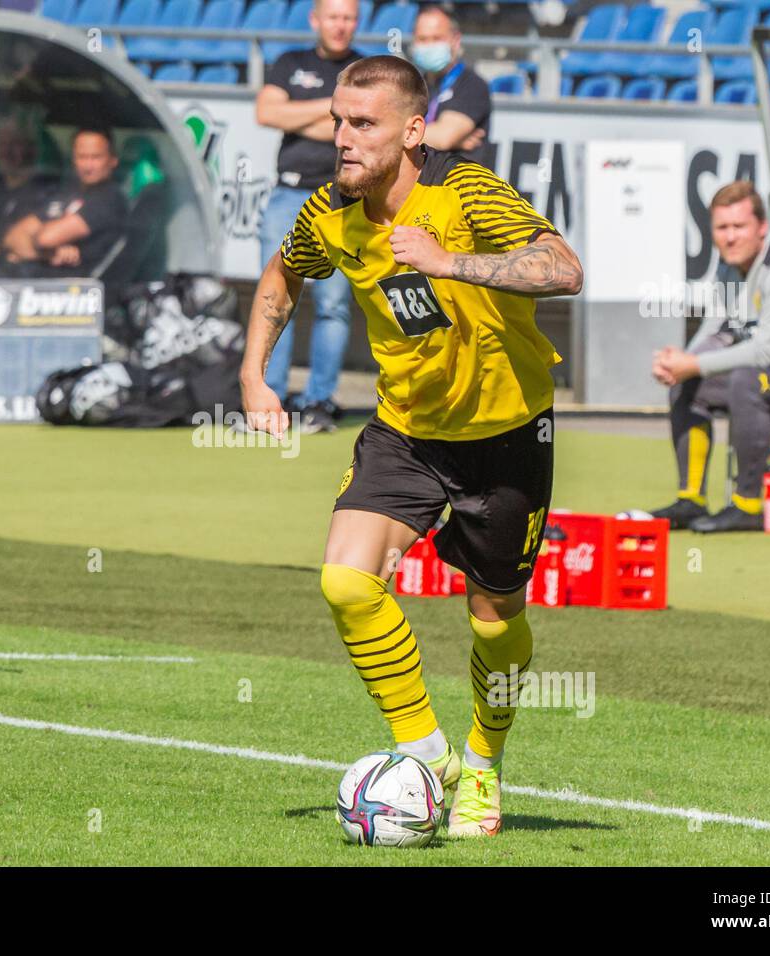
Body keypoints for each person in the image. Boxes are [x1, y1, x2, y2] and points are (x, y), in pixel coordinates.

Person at [240, 55, 582, 837]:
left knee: (495, 621)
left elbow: (564, 268)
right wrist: (254, 376)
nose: (343, 139)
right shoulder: (329, 209)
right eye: (338, 121)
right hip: (405, 430)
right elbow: (282, 277)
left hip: (505, 435)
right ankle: (427, 755)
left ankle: (484, 767)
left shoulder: (464, 191)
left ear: (413, 130)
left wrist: (446, 260)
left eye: (364, 124)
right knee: (344, 582)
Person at [650, 182, 770, 536]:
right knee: (691, 382)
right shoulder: (729, 266)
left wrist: (692, 363)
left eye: (739, 227)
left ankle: (748, 504)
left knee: (745, 378)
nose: (730, 237)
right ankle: (690, 500)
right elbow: (715, 331)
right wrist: (678, 362)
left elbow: (763, 351)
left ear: (762, 228)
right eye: (722, 228)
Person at [255, 0, 361, 434]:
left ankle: (319, 401)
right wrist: (333, 109)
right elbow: (266, 112)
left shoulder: (366, 68)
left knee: (333, 305)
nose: (341, 25)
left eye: (349, 17)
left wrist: (300, 115)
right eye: (333, 16)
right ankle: (271, 399)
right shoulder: (289, 62)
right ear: (315, 20)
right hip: (288, 193)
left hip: (343, 199)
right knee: (276, 298)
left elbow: (365, 128)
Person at [0, 127, 127, 276]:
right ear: (73, 160)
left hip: (83, 291)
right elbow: (12, 237)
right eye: (82, 157)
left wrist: (26, 249)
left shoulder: (110, 198)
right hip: (38, 288)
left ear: (113, 160)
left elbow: (45, 238)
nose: (88, 166)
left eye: (96, 157)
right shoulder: (66, 194)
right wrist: (50, 255)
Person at [0, 119, 59, 276]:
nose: (7, 151)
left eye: (15, 144)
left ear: (32, 150)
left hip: (32, 284)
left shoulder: (48, 192)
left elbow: (43, 247)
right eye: (2, 144)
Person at [411, 4, 491, 165]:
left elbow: (444, 138)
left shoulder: (473, 85)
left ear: (455, 40)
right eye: (422, 39)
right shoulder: (413, 84)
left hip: (458, 184)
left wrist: (396, 136)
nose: (429, 45)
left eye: (437, 38)